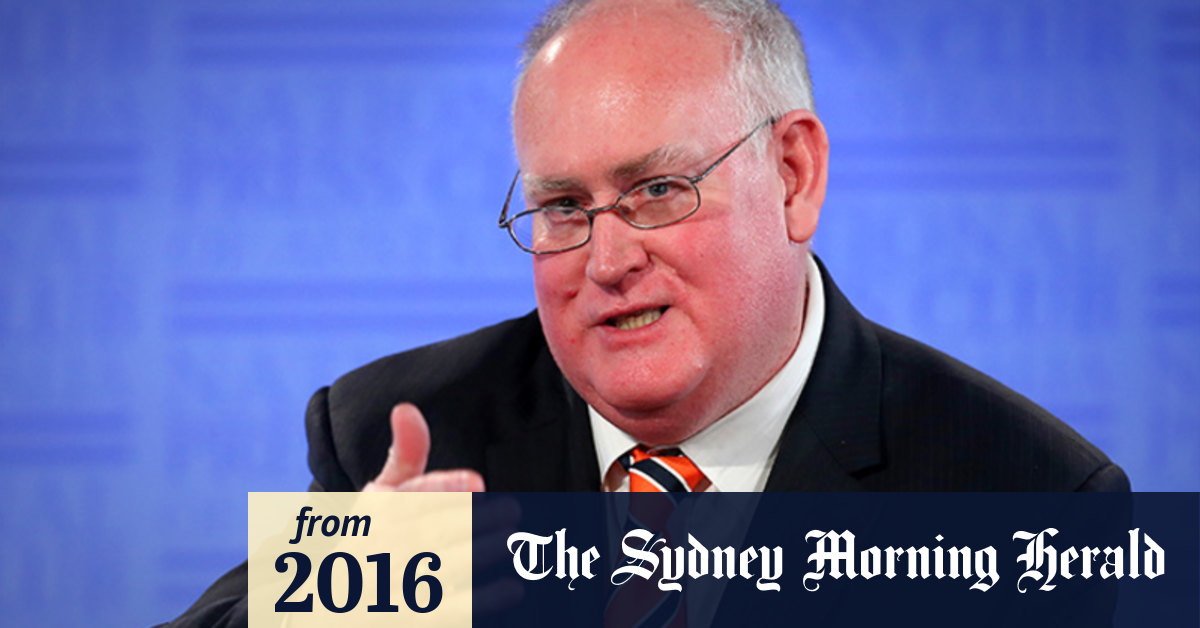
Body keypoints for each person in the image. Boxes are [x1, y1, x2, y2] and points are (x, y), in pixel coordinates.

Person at [166, 0, 1127, 624]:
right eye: (562, 207)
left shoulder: (1031, 500)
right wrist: (329, 601)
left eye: (659, 189)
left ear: (794, 175)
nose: (608, 260)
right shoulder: (398, 433)